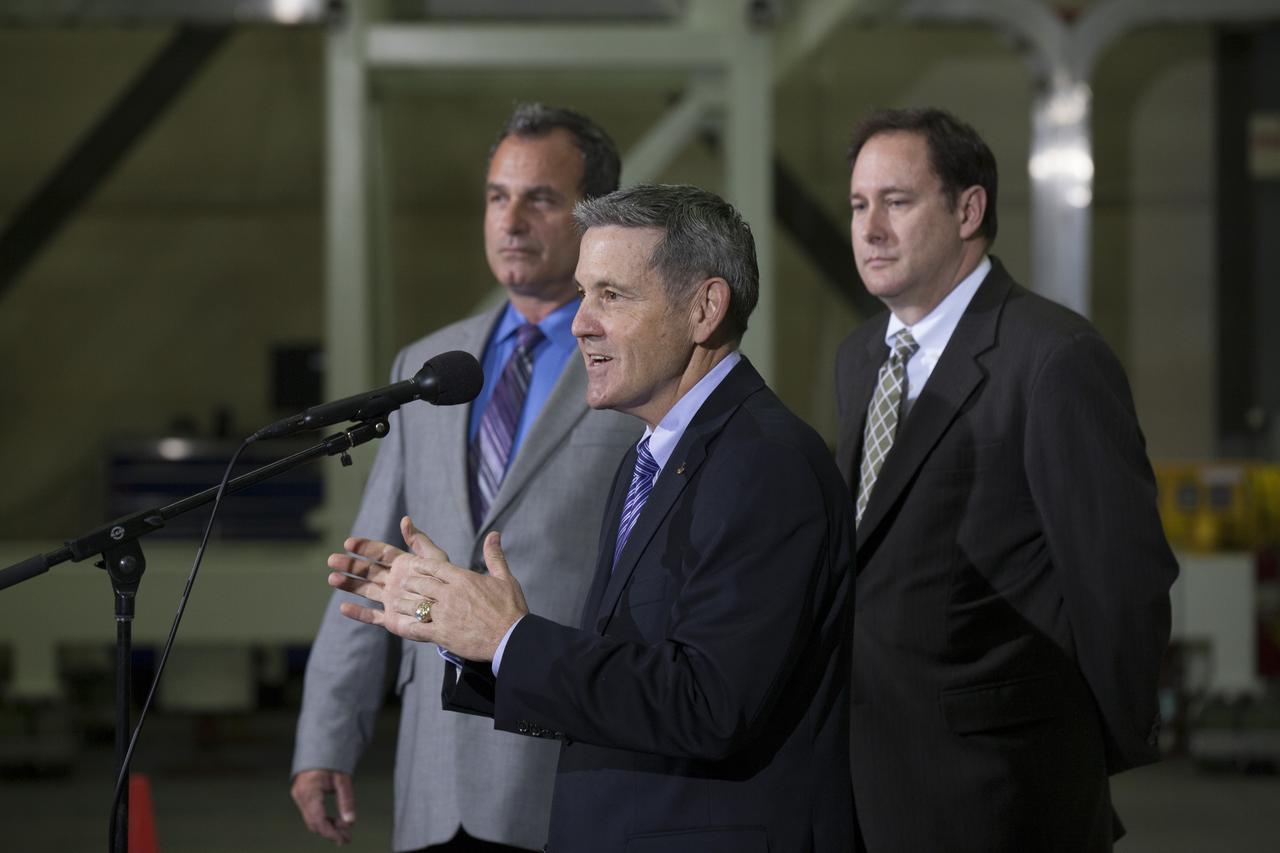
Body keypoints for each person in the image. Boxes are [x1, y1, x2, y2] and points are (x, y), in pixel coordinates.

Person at [327, 184, 856, 853]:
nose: (580, 321)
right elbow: (618, 682)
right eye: (583, 293)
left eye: (611, 294)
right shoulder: (653, 458)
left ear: (705, 308)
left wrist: (509, 638)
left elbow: (710, 703)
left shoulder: (764, 465)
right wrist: (461, 627)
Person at [291, 103, 640, 853]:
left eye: (540, 198)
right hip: (434, 768)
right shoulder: (430, 368)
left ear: (595, 216)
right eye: (496, 196)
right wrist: (325, 737)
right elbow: (366, 565)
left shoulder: (636, 366)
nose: (510, 219)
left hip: (566, 761)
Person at [835, 107, 1178, 852]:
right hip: (870, 781)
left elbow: (1122, 580)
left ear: (968, 208)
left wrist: (1078, 756)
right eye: (859, 205)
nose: (870, 228)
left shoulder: (1053, 358)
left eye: (896, 201)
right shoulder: (862, 357)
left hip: (1005, 794)